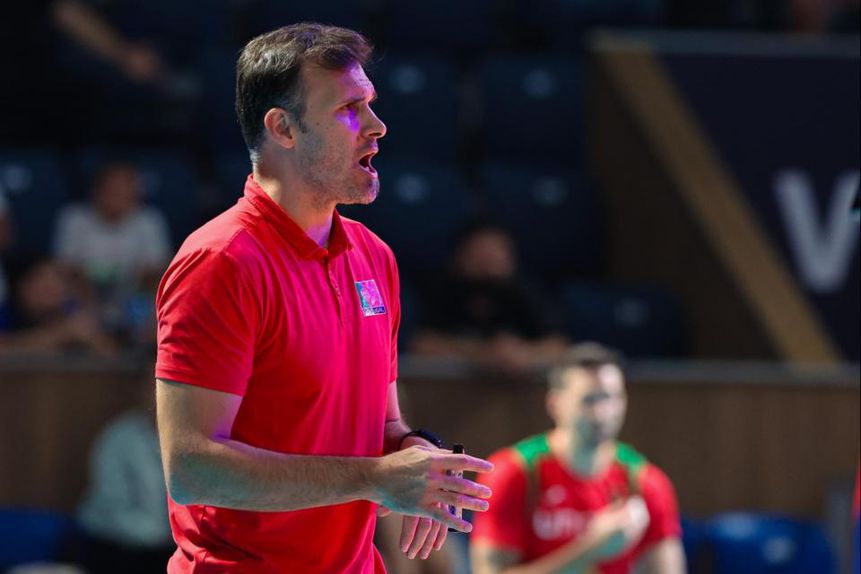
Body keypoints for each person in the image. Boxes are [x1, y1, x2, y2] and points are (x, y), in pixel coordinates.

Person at [155, 23, 493, 573]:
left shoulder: (374, 256)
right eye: (349, 110)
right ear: (283, 128)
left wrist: (414, 454)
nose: (377, 126)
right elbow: (192, 470)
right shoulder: (221, 262)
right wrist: (374, 478)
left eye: (371, 105)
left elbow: (382, 428)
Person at [470, 343, 685, 574]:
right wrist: (589, 551)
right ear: (555, 404)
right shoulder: (513, 472)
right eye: (588, 400)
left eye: (611, 398)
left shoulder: (645, 482)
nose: (602, 413)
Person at [412, 220, 568, 373]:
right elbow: (422, 344)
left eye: (494, 255)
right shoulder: (443, 289)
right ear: (459, 257)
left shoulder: (526, 291)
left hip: (517, 382)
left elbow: (558, 346)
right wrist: (479, 353)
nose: (486, 265)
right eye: (477, 255)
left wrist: (524, 354)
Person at [76, 363, 174, 574]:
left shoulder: (193, 441)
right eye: (155, 383)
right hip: (114, 545)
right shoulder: (119, 437)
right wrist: (173, 536)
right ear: (141, 388)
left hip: (169, 547)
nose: (163, 393)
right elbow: (114, 509)